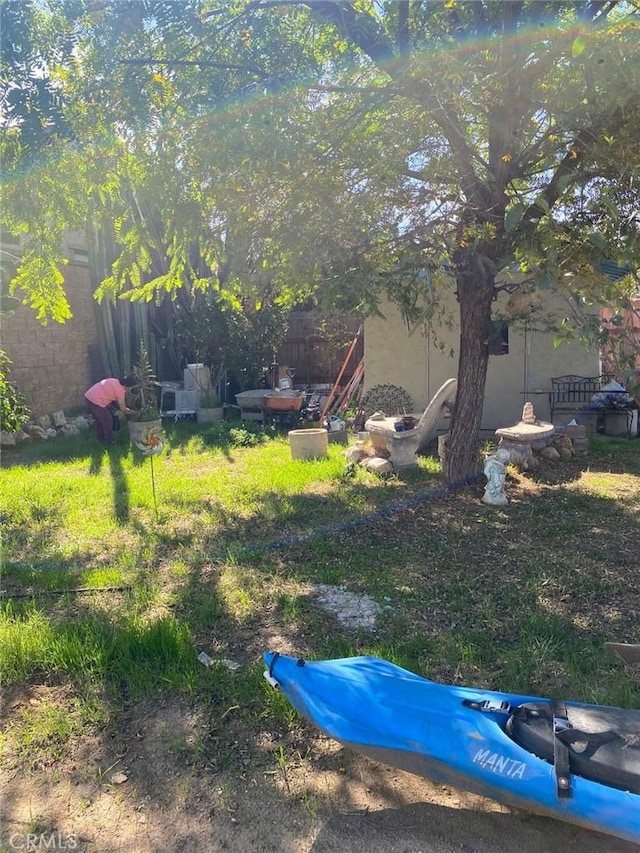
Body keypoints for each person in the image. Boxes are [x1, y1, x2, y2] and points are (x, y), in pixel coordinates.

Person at [84, 376, 137, 444]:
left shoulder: (114, 381)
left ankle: (101, 439)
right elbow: (123, 409)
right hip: (95, 399)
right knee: (108, 420)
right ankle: (109, 442)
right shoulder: (120, 390)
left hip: (89, 396)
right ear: (126, 385)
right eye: (130, 387)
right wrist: (135, 413)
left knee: (99, 421)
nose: (129, 390)